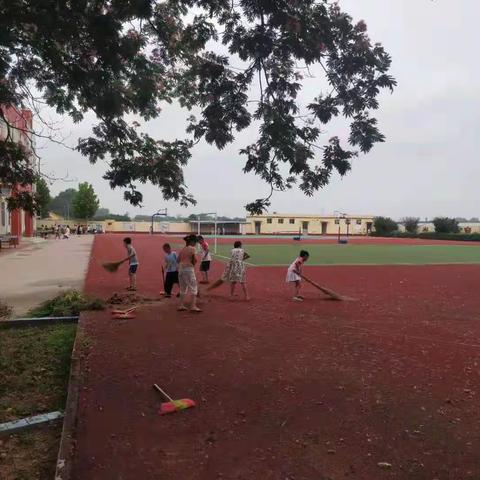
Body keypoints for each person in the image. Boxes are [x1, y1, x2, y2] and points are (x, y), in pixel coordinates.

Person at [177, 234, 201, 312]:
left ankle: (181, 305)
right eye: (195, 242)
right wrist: (194, 262)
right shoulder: (192, 249)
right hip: (188, 269)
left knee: (183, 288)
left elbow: (178, 260)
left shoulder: (182, 249)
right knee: (194, 287)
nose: (196, 243)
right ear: (192, 241)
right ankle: (193, 306)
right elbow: (194, 259)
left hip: (181, 269)